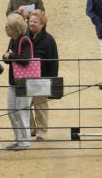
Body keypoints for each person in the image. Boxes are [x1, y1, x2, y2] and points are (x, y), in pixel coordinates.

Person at [2, 13, 33, 150]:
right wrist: (7, 56)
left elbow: (26, 59)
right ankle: (18, 139)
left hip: (24, 82)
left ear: (14, 28)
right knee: (11, 111)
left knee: (22, 111)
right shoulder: (13, 40)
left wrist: (11, 55)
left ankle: (24, 141)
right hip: (13, 81)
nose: (5, 29)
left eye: (7, 27)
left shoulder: (25, 40)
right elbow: (7, 58)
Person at [27, 10, 59, 141]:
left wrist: (51, 80)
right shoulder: (24, 36)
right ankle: (31, 129)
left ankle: (42, 131)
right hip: (26, 76)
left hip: (42, 78)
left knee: (40, 105)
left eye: (35, 22)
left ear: (42, 24)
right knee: (26, 104)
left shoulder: (48, 40)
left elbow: (54, 62)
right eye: (30, 21)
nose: (32, 24)